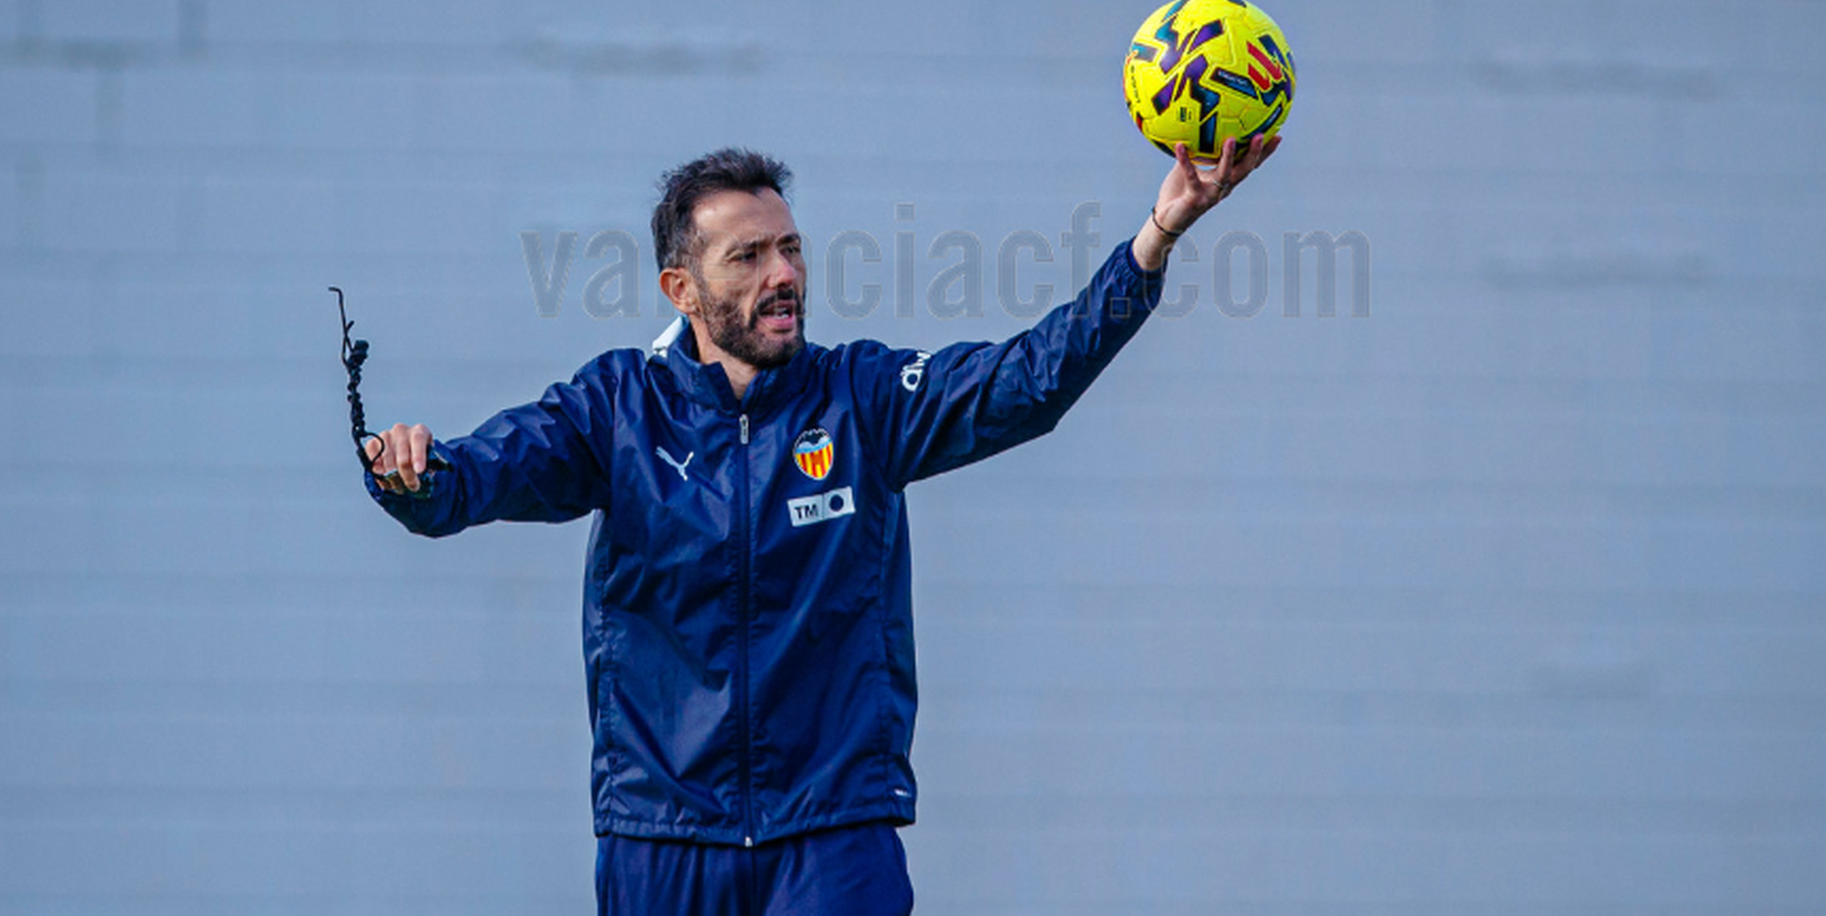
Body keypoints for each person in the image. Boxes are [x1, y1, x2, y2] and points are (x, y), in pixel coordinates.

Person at [361, 135, 1280, 915]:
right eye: (749, 257)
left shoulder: (863, 399)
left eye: (791, 248)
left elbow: (1028, 382)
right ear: (681, 289)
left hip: (834, 834)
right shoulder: (617, 410)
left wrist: (1154, 240)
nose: (784, 275)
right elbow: (483, 473)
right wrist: (417, 473)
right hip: (663, 835)